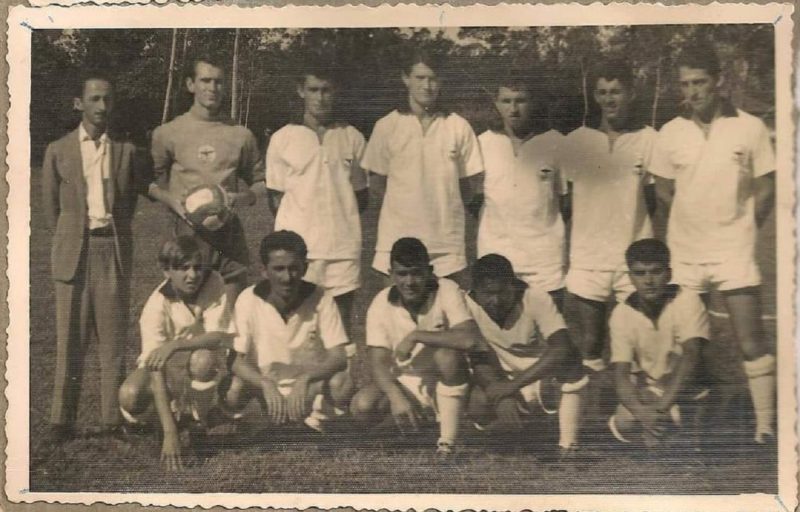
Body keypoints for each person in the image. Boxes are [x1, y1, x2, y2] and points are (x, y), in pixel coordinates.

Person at [650, 44, 776, 445]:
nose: (693, 91)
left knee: (750, 339)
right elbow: (663, 189)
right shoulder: (671, 131)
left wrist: (745, 227)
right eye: (686, 84)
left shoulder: (750, 127)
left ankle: (765, 428)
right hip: (685, 253)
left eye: (700, 82)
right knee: (684, 341)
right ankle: (679, 422)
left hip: (733, 250)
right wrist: (689, 220)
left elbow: (765, 186)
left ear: (718, 81)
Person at [42, 72, 148, 442]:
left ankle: (111, 420)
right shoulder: (58, 150)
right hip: (74, 251)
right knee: (70, 340)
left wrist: (108, 234)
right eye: (94, 99)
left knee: (113, 339)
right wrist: (72, 236)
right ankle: (61, 421)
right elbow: (51, 209)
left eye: (107, 99)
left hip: (110, 249)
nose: (102, 106)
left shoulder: (125, 150)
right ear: (79, 103)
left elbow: (128, 204)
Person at [556, 58, 657, 374]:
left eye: (616, 91)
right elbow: (566, 201)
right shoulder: (576, 141)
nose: (609, 99)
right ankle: (593, 404)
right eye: (602, 92)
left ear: (631, 93)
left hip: (634, 260)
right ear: (595, 96)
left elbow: (653, 198)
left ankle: (639, 402)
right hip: (589, 258)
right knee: (590, 347)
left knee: (642, 346)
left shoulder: (649, 139)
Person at [266, 64, 367, 357]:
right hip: (300, 252)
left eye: (326, 90)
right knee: (298, 327)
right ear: (301, 91)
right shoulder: (283, 138)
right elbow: (275, 198)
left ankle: (340, 387)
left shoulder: (352, 137)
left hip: (342, 248)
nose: (320, 98)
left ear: (335, 92)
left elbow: (360, 196)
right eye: (313, 90)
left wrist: (339, 222)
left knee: (341, 331)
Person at [361, 49, 484, 287]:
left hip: (446, 246)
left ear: (441, 81)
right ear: (405, 78)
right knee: (396, 309)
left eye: (433, 78)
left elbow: (468, 187)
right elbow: (377, 183)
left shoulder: (458, 126)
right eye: (420, 78)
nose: (427, 86)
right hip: (396, 241)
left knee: (448, 309)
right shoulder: (387, 126)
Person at [149, 54, 265, 304]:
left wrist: (242, 198)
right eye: (205, 80)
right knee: (186, 317)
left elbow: (260, 183)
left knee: (231, 316)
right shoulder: (168, 133)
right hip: (187, 237)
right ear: (191, 84)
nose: (212, 88)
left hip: (228, 238)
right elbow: (154, 182)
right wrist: (172, 201)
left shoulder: (240, 135)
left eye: (219, 82)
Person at [350, 238, 482, 455]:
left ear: (429, 271)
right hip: (408, 382)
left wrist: (417, 336)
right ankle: (425, 426)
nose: (409, 282)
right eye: (402, 274)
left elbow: (469, 339)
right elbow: (378, 362)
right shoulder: (380, 302)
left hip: (450, 377)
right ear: (391, 274)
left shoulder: (447, 289)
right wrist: (397, 398)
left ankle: (448, 441)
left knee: (447, 356)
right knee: (363, 406)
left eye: (416, 273)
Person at [117, 236, 236, 471]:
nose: (192, 275)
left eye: (197, 267)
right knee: (130, 394)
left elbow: (219, 337)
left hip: (199, 362)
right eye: (183, 268)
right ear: (166, 271)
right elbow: (155, 368)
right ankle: (157, 423)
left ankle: (197, 421)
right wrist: (170, 433)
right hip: (166, 371)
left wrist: (176, 345)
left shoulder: (214, 281)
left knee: (203, 359)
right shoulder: (156, 306)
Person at [224, 231, 353, 433]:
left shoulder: (321, 297)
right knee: (234, 389)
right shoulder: (248, 299)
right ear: (264, 271)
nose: (287, 277)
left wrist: (306, 379)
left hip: (308, 389)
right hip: (266, 388)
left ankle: (313, 423)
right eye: (279, 269)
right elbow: (235, 361)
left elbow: (339, 357)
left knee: (342, 383)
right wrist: (265, 384)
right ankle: (259, 420)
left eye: (294, 268)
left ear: (304, 268)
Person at [465, 254, 587, 454]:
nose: (496, 300)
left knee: (571, 361)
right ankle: (514, 430)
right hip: (500, 378)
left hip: (542, 379)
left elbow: (562, 347)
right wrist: (501, 393)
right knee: (476, 405)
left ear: (513, 285)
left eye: (502, 292)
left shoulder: (535, 297)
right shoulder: (466, 304)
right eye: (488, 294)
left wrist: (511, 387)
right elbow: (477, 358)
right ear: (475, 291)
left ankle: (568, 445)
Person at [476, 75, 568, 310]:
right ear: (496, 104)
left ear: (533, 102)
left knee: (550, 329)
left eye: (520, 100)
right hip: (495, 259)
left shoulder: (556, 142)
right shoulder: (482, 143)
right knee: (497, 330)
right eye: (506, 101)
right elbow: (473, 198)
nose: (513, 109)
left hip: (545, 262)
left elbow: (567, 201)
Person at [608, 239, 709, 449]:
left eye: (656, 272)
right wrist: (642, 413)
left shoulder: (688, 299)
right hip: (649, 388)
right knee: (626, 422)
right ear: (630, 277)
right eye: (640, 273)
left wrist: (660, 409)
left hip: (687, 387)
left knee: (690, 427)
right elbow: (621, 373)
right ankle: (664, 428)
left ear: (669, 274)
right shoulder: (621, 313)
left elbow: (692, 355)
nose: (648, 281)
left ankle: (681, 425)